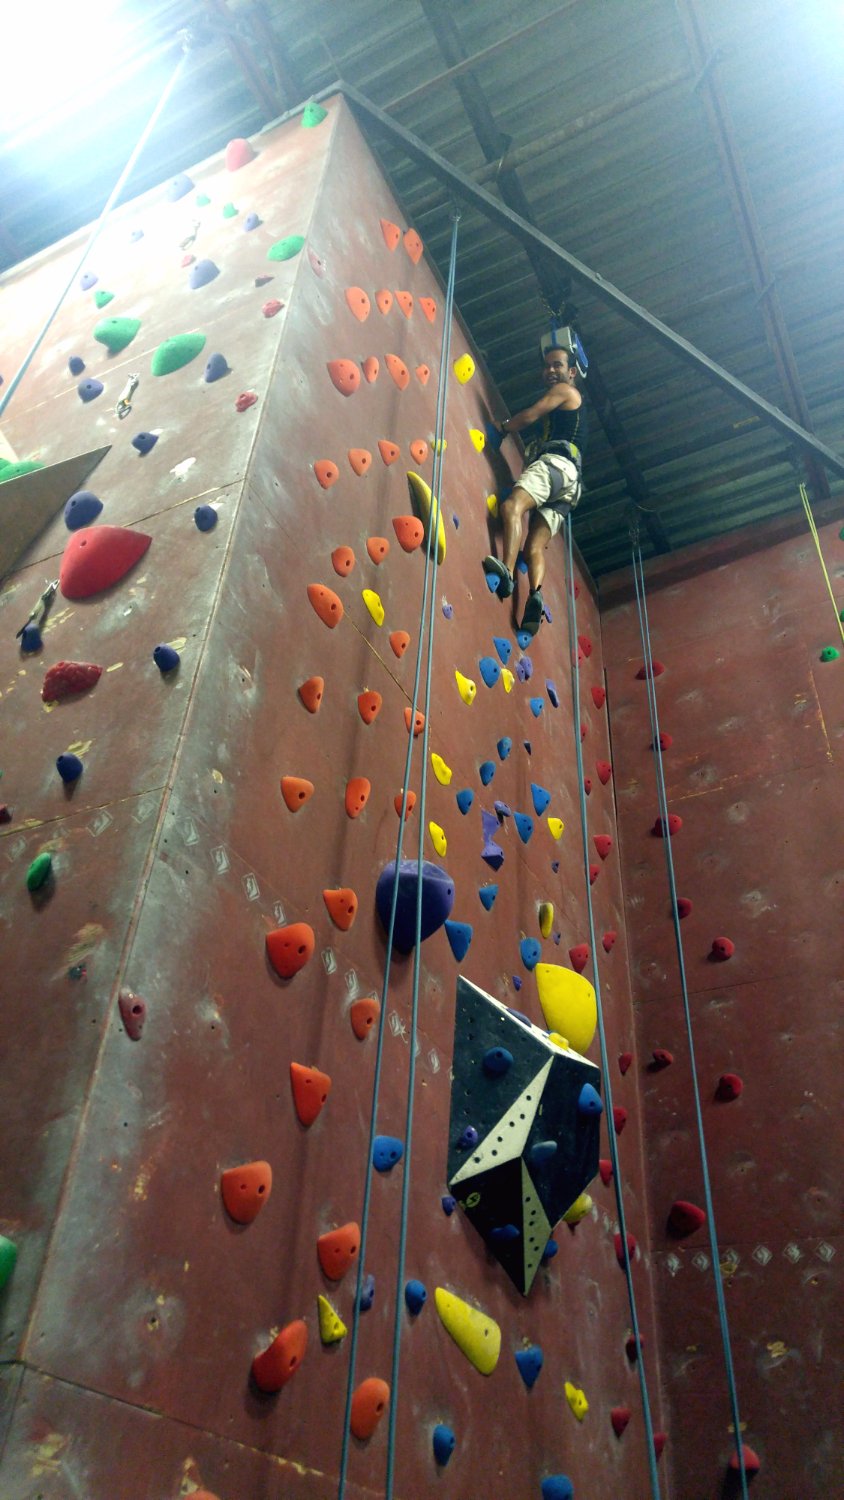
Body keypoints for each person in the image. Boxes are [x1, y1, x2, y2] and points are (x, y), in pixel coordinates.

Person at [483, 342, 586, 637]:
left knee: (511, 507)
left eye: (558, 365)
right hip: (570, 485)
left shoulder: (565, 392)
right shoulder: (575, 407)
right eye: (547, 366)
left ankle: (505, 569)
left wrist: (502, 428)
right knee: (535, 547)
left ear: (572, 372)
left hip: (556, 464)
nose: (551, 370)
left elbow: (531, 414)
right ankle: (534, 595)